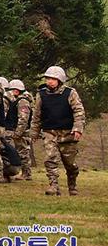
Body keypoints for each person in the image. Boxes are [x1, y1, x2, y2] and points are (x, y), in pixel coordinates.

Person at [32, 65, 86, 196]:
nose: (50, 81)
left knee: (70, 164)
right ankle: (53, 186)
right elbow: (37, 114)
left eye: (53, 79)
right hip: (49, 132)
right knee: (50, 159)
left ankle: (72, 185)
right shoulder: (42, 94)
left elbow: (79, 112)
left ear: (60, 80)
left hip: (68, 133)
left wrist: (78, 129)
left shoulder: (70, 93)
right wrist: (34, 131)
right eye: (48, 78)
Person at [8, 79, 35, 180]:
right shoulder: (19, 100)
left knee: (23, 152)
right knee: (22, 151)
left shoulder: (22, 101)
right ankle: (25, 173)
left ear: (16, 90)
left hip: (23, 132)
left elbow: (23, 119)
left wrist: (18, 132)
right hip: (21, 131)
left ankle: (26, 173)